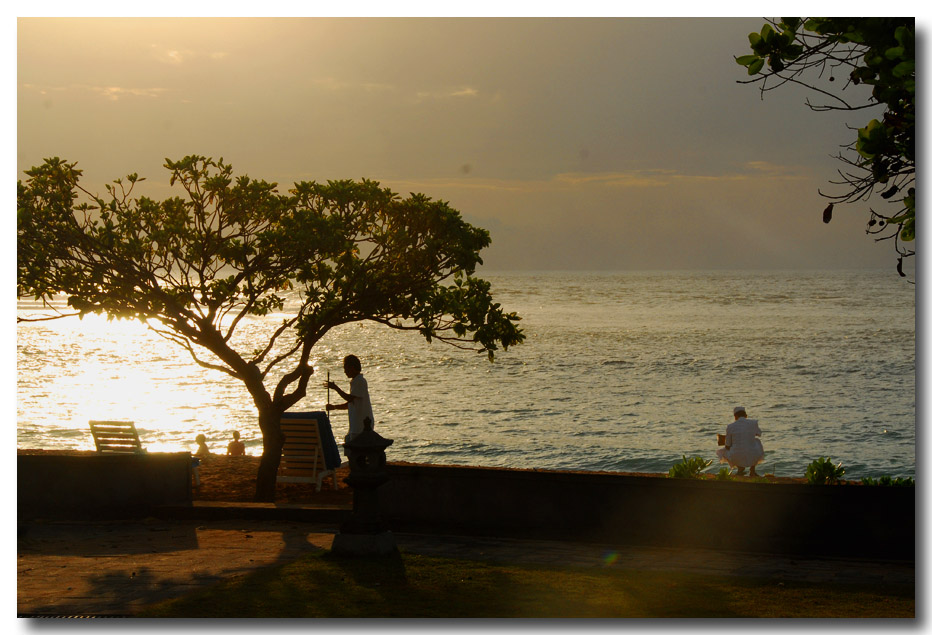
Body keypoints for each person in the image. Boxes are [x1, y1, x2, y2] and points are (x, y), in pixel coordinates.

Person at [325, 354, 375, 457]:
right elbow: (351, 404)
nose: (345, 372)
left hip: (361, 424)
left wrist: (336, 388)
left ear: (352, 368)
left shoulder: (360, 381)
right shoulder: (355, 382)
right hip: (355, 424)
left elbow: (349, 398)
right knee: (349, 445)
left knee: (356, 452)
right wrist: (334, 407)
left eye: (346, 369)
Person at [716, 406, 764, 476]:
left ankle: (740, 468)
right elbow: (759, 434)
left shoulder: (730, 426)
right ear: (745, 415)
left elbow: (727, 446)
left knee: (723, 451)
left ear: (735, 416)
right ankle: (752, 470)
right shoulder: (753, 423)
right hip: (752, 454)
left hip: (736, 456)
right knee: (757, 441)